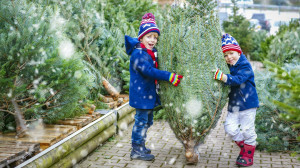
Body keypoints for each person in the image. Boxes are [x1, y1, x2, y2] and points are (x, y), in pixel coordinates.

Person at [124, 13, 183, 161]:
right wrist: (169, 76)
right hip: (141, 95)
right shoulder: (138, 54)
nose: (153, 40)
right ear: (141, 37)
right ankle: (136, 149)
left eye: (155, 37)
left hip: (147, 94)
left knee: (147, 121)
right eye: (149, 36)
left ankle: (140, 144)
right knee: (141, 121)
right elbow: (149, 71)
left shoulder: (149, 52)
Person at [213, 33, 259, 167]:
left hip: (248, 104)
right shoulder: (230, 66)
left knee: (247, 130)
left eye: (231, 53)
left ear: (238, 52)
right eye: (225, 55)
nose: (229, 58)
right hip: (234, 104)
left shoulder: (245, 65)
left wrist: (223, 77)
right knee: (229, 127)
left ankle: (248, 155)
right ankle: (246, 147)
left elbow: (238, 79)